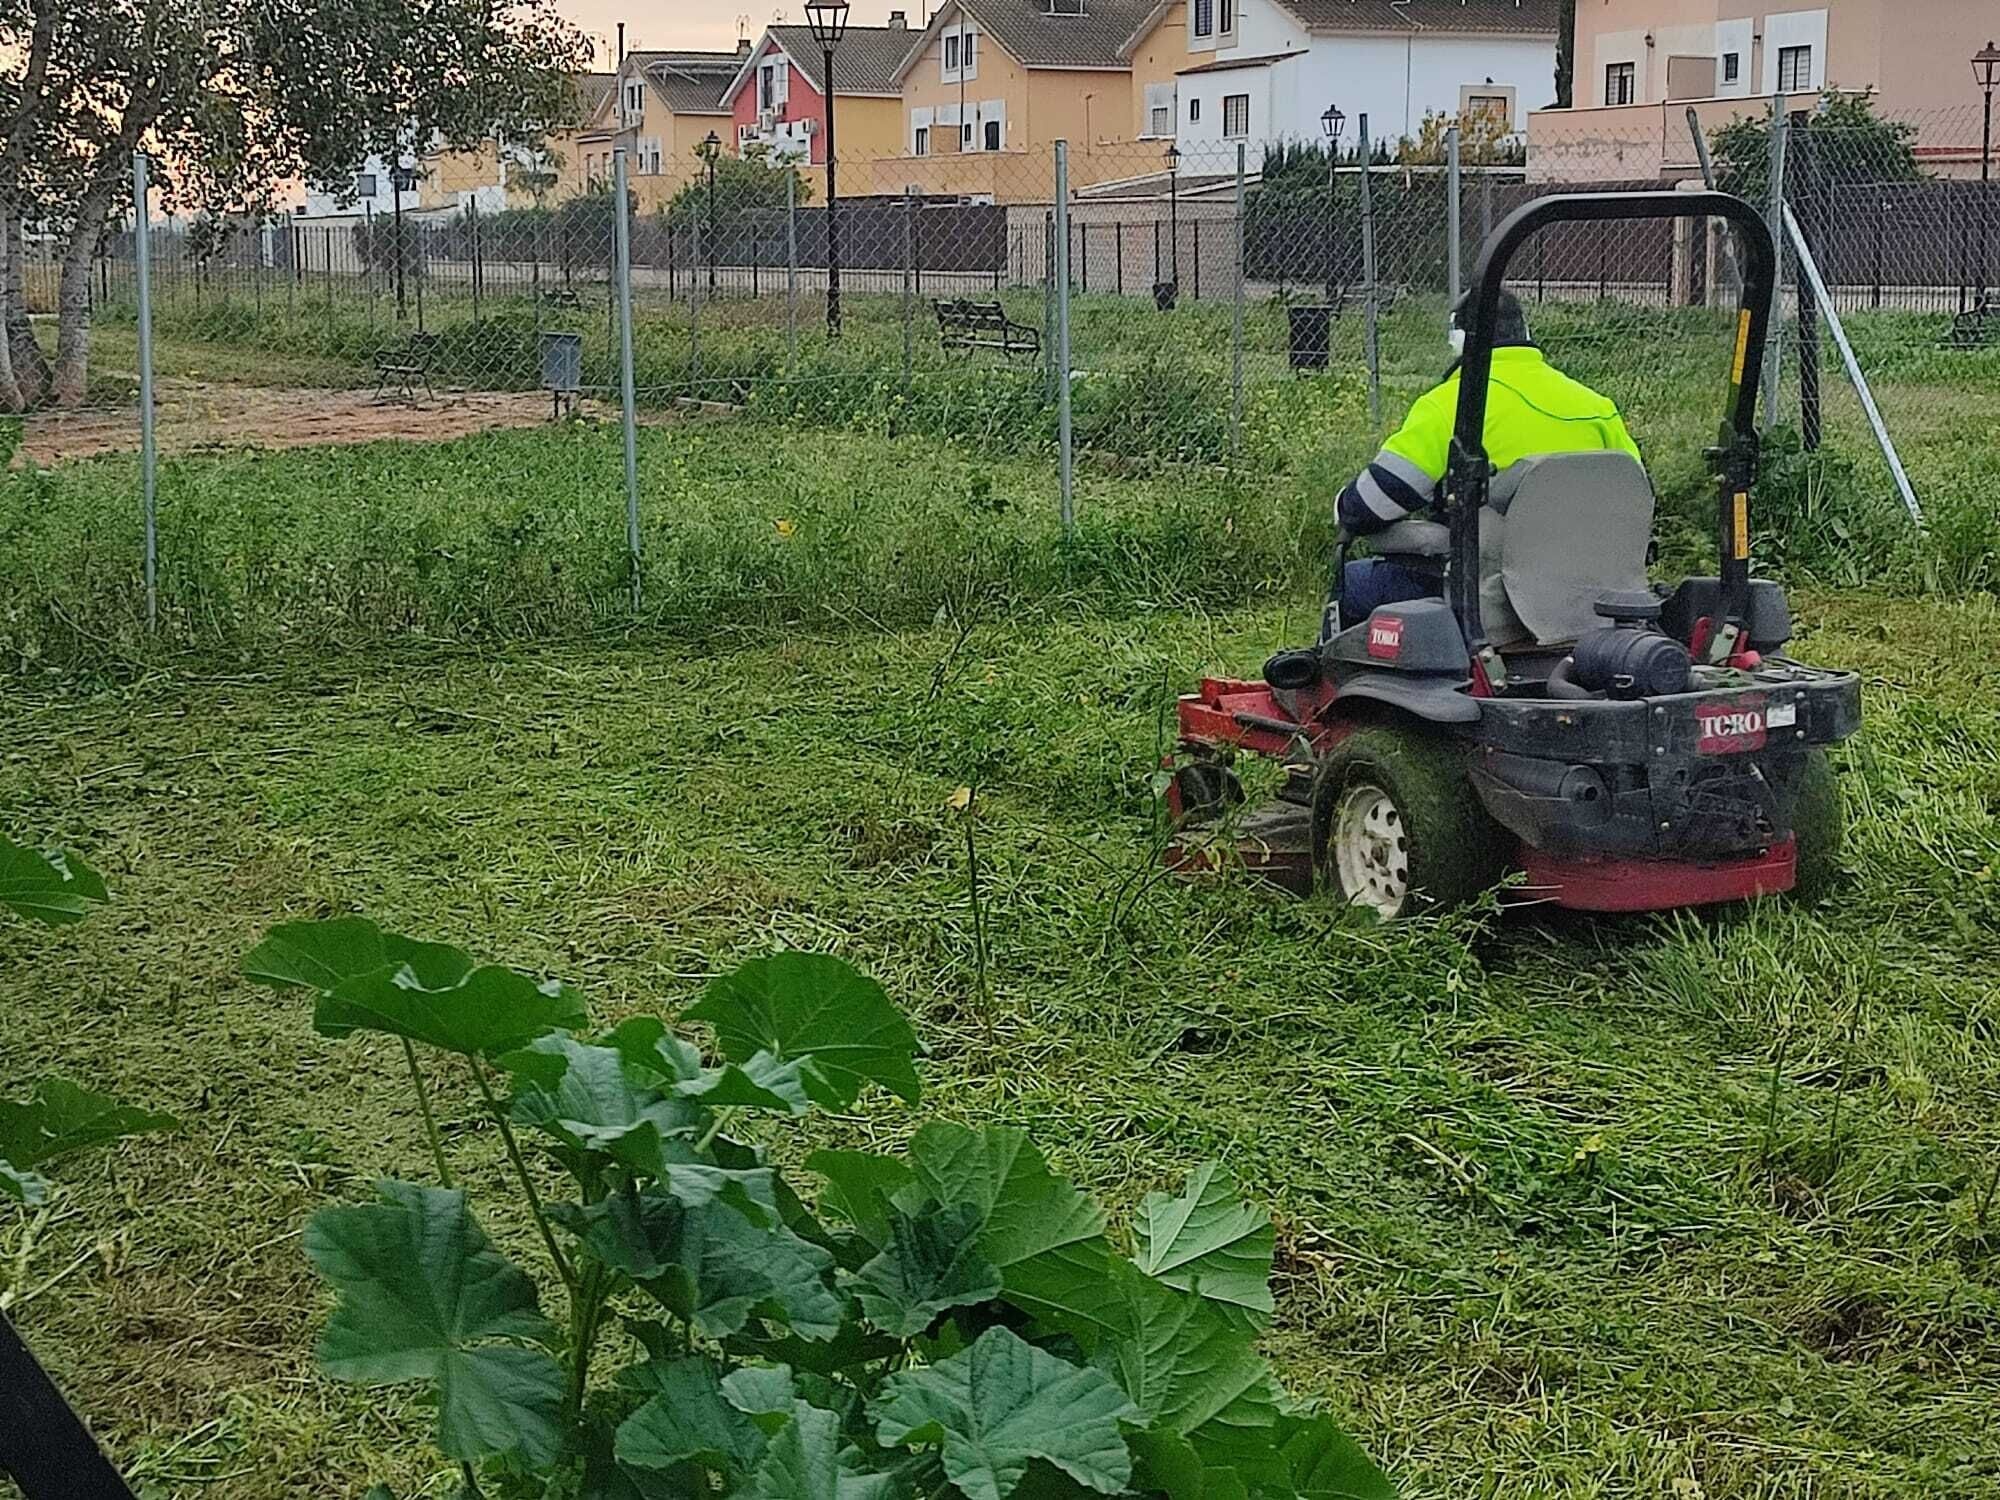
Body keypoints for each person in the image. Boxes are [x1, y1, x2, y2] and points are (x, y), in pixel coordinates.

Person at [1332, 290, 1643, 629]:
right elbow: (1636, 493)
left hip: (1490, 599)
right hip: (1590, 597)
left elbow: (1371, 505)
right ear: (1526, 335)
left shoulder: (1451, 405)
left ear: (1458, 342)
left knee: (1352, 583)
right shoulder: (1597, 407)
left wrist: (1344, 508)